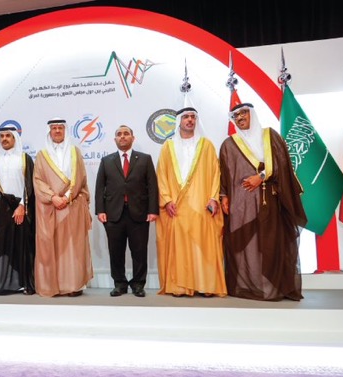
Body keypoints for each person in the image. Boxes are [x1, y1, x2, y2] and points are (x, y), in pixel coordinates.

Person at [219, 102, 307, 301]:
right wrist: (224, 196)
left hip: (270, 201)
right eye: (236, 116)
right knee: (245, 244)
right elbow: (223, 173)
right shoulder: (228, 144)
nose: (240, 118)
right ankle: (248, 286)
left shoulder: (270, 136)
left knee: (270, 243)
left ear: (252, 114)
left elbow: (283, 164)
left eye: (244, 113)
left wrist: (261, 176)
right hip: (242, 206)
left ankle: (272, 287)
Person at [155, 108, 226, 297]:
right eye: (186, 117)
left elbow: (215, 173)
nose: (190, 120)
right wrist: (167, 200)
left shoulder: (206, 145)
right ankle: (179, 286)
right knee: (180, 247)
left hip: (201, 205)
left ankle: (205, 285)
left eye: (193, 117)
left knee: (202, 246)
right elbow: (161, 175)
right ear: (179, 121)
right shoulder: (168, 147)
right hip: (177, 206)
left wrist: (213, 197)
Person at [95, 125, 158, 297]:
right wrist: (100, 210)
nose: (122, 136)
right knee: (116, 251)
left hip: (139, 213)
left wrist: (153, 210)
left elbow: (152, 186)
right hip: (113, 214)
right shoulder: (106, 161)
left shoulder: (145, 159)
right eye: (119, 134)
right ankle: (119, 284)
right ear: (115, 139)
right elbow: (100, 187)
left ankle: (138, 284)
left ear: (133, 138)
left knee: (139, 251)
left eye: (126, 134)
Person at [33, 118, 93, 297]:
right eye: (54, 128)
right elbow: (38, 180)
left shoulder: (75, 152)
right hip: (50, 208)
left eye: (60, 128)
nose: (57, 131)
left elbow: (80, 178)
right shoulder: (42, 155)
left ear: (65, 130)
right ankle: (54, 286)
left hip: (71, 206)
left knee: (72, 248)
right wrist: (53, 197)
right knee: (52, 247)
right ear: (49, 131)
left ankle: (73, 285)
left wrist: (66, 197)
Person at [0, 125, 35, 295]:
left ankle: (22, 283)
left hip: (20, 209)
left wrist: (23, 205)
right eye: (2, 136)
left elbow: (30, 185)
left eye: (8, 136)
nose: (4, 139)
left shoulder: (25, 159)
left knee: (21, 245)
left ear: (14, 138)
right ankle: (1, 283)